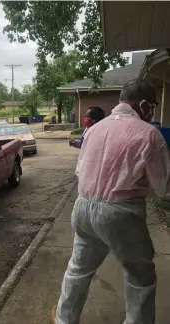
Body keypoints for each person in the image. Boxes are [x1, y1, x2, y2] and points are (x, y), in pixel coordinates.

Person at [52, 79, 170, 324]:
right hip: (121, 213)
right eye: (153, 106)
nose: (154, 112)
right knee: (140, 279)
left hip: (83, 207)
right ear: (144, 105)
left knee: (78, 270)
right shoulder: (149, 134)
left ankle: (65, 319)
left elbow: (80, 171)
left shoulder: (94, 129)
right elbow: (163, 188)